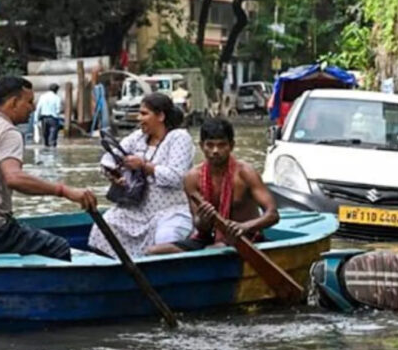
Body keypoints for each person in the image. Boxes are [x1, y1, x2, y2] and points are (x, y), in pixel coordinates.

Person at [0, 76, 97, 260]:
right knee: (59, 247)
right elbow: (14, 178)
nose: (33, 108)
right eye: (29, 102)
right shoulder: (8, 132)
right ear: (13, 103)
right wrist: (63, 190)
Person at [147, 118, 279, 254]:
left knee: (218, 249)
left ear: (231, 146)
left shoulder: (245, 173)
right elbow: (200, 227)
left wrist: (244, 226)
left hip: (247, 238)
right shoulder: (192, 178)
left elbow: (272, 215)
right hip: (209, 239)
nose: (215, 151)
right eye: (210, 145)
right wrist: (204, 220)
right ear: (201, 146)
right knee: (153, 252)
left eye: (222, 145)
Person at [88, 92, 194, 258]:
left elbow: (177, 177)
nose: (139, 118)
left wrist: (144, 166)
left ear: (160, 116)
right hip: (136, 210)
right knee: (104, 226)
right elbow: (108, 158)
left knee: (165, 240)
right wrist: (114, 173)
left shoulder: (179, 137)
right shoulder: (138, 137)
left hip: (171, 211)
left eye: (144, 113)